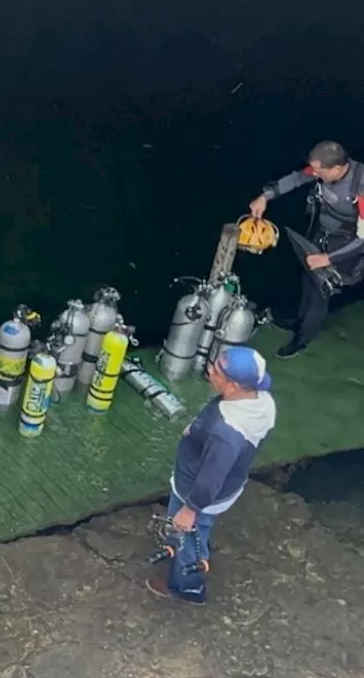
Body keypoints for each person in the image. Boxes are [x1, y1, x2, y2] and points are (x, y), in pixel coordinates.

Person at [146, 346, 276, 604]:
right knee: (188, 532)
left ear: (234, 385)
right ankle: (180, 544)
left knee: (188, 538)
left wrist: (189, 510)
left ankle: (188, 587)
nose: (210, 369)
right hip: (228, 483)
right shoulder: (260, 401)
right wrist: (197, 429)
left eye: (217, 370)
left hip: (198, 493)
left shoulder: (225, 435)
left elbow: (210, 479)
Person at [248, 140, 364, 358]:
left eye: (320, 172)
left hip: (347, 244)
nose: (316, 175)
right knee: (307, 277)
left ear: (337, 168)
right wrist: (265, 196)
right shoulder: (323, 169)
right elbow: (297, 178)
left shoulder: (361, 187)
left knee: (321, 289)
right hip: (322, 233)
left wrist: (328, 258)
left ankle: (303, 339)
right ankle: (299, 321)